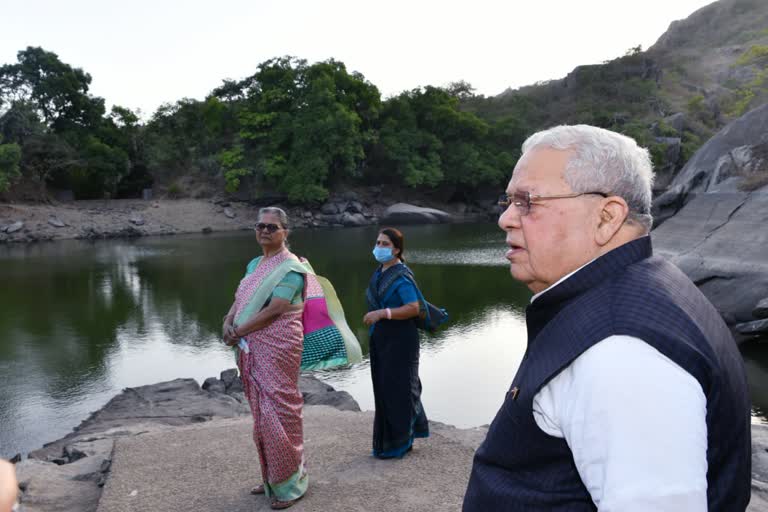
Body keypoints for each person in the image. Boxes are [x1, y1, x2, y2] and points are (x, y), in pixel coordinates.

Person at [463, 125, 751, 511]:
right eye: (509, 201)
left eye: (527, 201)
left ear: (606, 217)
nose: (506, 219)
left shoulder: (622, 351)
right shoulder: (642, 284)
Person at [222, 207, 308, 510]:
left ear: (285, 232)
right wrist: (227, 321)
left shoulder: (291, 268)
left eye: (272, 227)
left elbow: (277, 308)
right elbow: (239, 299)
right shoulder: (255, 264)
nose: (265, 231)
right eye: (260, 226)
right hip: (251, 347)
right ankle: (272, 477)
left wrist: (239, 330)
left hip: (278, 347)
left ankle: (292, 484)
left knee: (280, 410)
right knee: (260, 414)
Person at [363, 228, 429, 458]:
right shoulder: (381, 271)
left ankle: (401, 443)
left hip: (401, 340)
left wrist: (383, 313)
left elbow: (413, 308)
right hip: (382, 340)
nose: (379, 247)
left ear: (397, 249)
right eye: (378, 242)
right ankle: (389, 441)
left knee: (399, 389)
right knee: (384, 389)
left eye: (385, 244)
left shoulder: (400, 275)